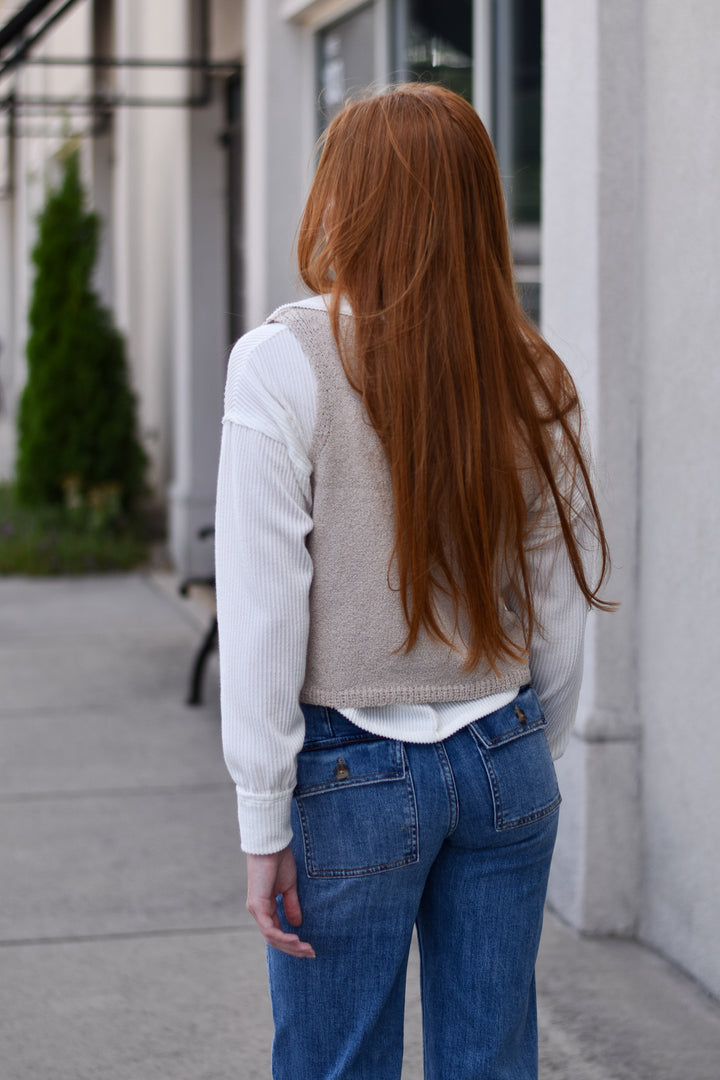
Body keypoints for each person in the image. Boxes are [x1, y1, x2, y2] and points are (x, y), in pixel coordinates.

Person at [215, 82, 612, 1080]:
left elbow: (261, 617)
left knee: (337, 1065)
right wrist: (518, 745)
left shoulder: (279, 364)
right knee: (492, 1061)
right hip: (506, 754)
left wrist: (264, 816)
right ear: (479, 206)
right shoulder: (533, 371)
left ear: (343, 200)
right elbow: (557, 614)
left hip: (348, 776)